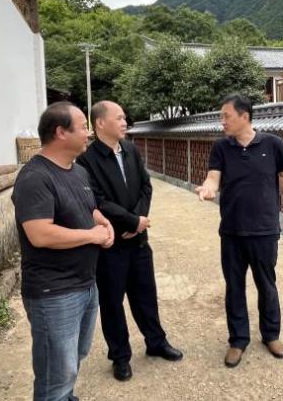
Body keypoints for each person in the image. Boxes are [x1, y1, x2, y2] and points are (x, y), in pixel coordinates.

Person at [11, 101, 115, 401]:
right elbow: (40, 234)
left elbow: (87, 207)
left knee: (74, 358)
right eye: (82, 127)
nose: (88, 133)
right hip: (53, 292)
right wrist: (92, 236)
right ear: (60, 132)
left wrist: (101, 221)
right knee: (55, 374)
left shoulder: (77, 171)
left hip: (85, 283)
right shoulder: (35, 177)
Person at [77, 100, 183, 382]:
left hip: (138, 240)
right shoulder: (87, 160)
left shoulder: (130, 150)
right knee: (112, 302)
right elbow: (97, 201)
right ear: (101, 123)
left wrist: (138, 222)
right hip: (110, 243)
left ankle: (156, 342)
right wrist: (130, 222)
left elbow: (146, 186)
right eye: (120, 118)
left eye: (125, 118)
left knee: (146, 294)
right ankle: (120, 356)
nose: (125, 122)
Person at [195, 93, 283, 368]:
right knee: (234, 287)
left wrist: (264, 191)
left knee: (267, 285)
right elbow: (213, 177)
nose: (222, 121)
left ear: (244, 116)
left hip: (264, 230)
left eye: (226, 116)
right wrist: (208, 189)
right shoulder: (221, 147)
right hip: (232, 231)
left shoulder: (272, 144)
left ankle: (271, 335)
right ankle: (238, 340)